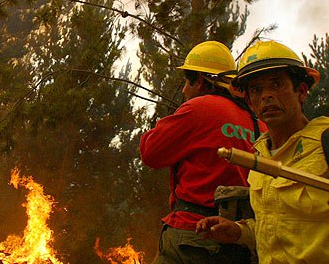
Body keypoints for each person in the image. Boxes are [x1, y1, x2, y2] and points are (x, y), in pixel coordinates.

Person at [196, 40, 329, 264]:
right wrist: (239, 232)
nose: (266, 95)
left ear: (302, 91)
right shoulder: (258, 156)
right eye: (256, 90)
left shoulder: (324, 142)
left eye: (277, 84)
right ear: (249, 101)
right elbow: (276, 225)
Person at [140, 41, 265, 264]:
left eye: (187, 81)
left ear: (199, 80)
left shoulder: (199, 108)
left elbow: (151, 152)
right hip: (241, 241)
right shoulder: (258, 123)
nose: (183, 90)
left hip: (192, 237)